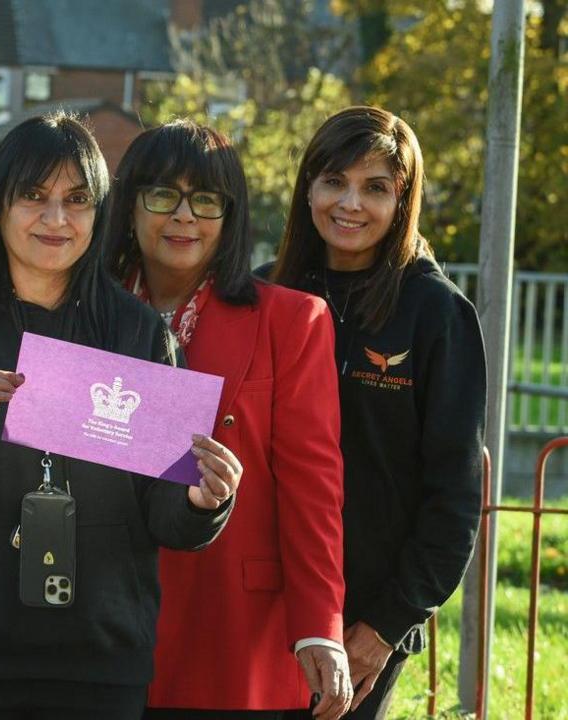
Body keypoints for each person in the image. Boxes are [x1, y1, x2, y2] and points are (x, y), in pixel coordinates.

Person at [0, 112, 241, 719]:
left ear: (100, 214)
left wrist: (205, 502)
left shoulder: (137, 332)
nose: (56, 219)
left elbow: (165, 516)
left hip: (100, 664)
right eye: (34, 196)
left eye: (77, 199)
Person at [103, 120, 351, 719]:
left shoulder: (291, 321)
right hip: (99, 618)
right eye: (163, 195)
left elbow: (312, 488)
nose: (185, 217)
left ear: (230, 214)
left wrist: (320, 625)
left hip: (232, 628)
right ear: (130, 204)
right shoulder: (85, 312)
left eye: (206, 200)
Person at [270, 106, 486, 719]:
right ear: (308, 186)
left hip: (366, 620)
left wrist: (385, 627)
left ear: (404, 199)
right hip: (261, 601)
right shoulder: (266, 293)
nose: (351, 204)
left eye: (376, 188)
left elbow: (454, 496)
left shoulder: (435, 313)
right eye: (335, 181)